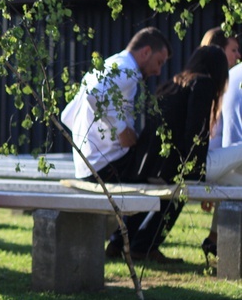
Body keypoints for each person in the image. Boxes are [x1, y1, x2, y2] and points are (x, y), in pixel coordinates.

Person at [61, 27, 175, 262]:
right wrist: (120, 129)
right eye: (159, 61)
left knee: (154, 177)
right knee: (171, 183)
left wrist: (93, 141)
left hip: (90, 164)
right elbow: (94, 94)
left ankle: (119, 243)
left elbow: (66, 115)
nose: (158, 70)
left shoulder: (108, 65)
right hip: (105, 165)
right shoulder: (126, 69)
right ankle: (141, 246)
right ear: (145, 52)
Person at [126, 46, 229, 262]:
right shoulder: (202, 83)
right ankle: (144, 246)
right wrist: (195, 173)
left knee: (159, 200)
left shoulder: (174, 83)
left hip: (152, 162)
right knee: (176, 197)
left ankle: (121, 242)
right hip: (172, 164)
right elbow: (196, 129)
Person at [196, 27, 240, 257]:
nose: (237, 56)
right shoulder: (217, 84)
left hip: (211, 162)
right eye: (233, 50)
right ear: (219, 51)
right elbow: (215, 136)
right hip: (208, 162)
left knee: (236, 180)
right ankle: (217, 241)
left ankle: (214, 240)